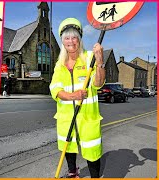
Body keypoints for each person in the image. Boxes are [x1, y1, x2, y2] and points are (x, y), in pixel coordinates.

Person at [49, 18, 105, 178]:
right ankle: (72, 172)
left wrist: (99, 60)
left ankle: (95, 177)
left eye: (74, 37)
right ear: (62, 41)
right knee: (68, 147)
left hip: (88, 118)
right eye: (67, 38)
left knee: (92, 150)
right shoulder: (59, 65)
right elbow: (55, 89)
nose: (71, 41)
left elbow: (98, 83)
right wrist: (73, 96)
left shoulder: (89, 58)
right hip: (66, 118)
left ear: (80, 39)